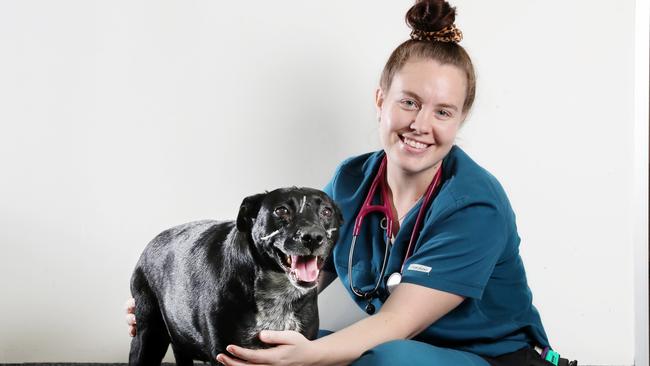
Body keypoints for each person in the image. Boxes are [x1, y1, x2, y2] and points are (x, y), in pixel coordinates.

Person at [126, 1, 554, 365]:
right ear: (380, 99)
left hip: (492, 357)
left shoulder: (475, 204)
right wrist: (174, 301)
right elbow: (295, 270)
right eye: (409, 102)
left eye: (443, 112)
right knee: (249, 345)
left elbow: (397, 323)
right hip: (406, 347)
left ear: (460, 120)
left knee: (378, 356)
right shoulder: (350, 180)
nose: (421, 125)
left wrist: (309, 356)